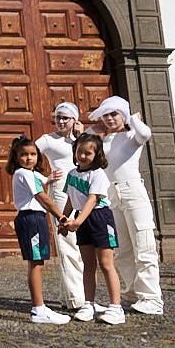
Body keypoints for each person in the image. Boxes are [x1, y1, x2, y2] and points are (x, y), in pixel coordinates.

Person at [89, 96, 163, 315]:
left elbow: (146, 133)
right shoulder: (103, 140)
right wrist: (97, 125)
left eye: (115, 114)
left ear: (123, 114)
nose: (110, 118)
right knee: (122, 249)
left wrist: (131, 117)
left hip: (132, 192)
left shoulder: (132, 135)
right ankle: (133, 293)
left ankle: (152, 298)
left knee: (144, 245)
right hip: (110, 194)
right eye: (106, 115)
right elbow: (86, 136)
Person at [60, 134, 124, 325]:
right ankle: (89, 303)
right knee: (88, 264)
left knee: (106, 263)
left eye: (88, 153)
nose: (82, 156)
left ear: (97, 155)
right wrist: (63, 220)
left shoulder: (98, 174)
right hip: (82, 218)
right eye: (79, 151)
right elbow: (71, 199)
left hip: (99, 217)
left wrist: (77, 221)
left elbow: (92, 199)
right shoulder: (72, 174)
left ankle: (116, 307)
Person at [5, 136, 71, 325]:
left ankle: (40, 306)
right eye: (24, 155)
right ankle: (38, 308)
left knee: (39, 262)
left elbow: (42, 181)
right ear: (16, 158)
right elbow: (43, 197)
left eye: (33, 154)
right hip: (31, 218)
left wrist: (49, 179)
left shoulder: (31, 174)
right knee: (36, 263)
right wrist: (61, 216)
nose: (29, 158)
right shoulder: (23, 173)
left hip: (37, 218)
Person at [34, 103, 89, 319]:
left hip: (81, 189)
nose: (61, 121)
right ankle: (78, 299)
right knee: (68, 242)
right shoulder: (48, 140)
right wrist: (44, 179)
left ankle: (69, 297)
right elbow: (25, 155)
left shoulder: (80, 141)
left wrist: (81, 135)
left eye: (66, 118)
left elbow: (94, 157)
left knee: (81, 243)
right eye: (58, 117)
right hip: (60, 192)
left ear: (75, 120)